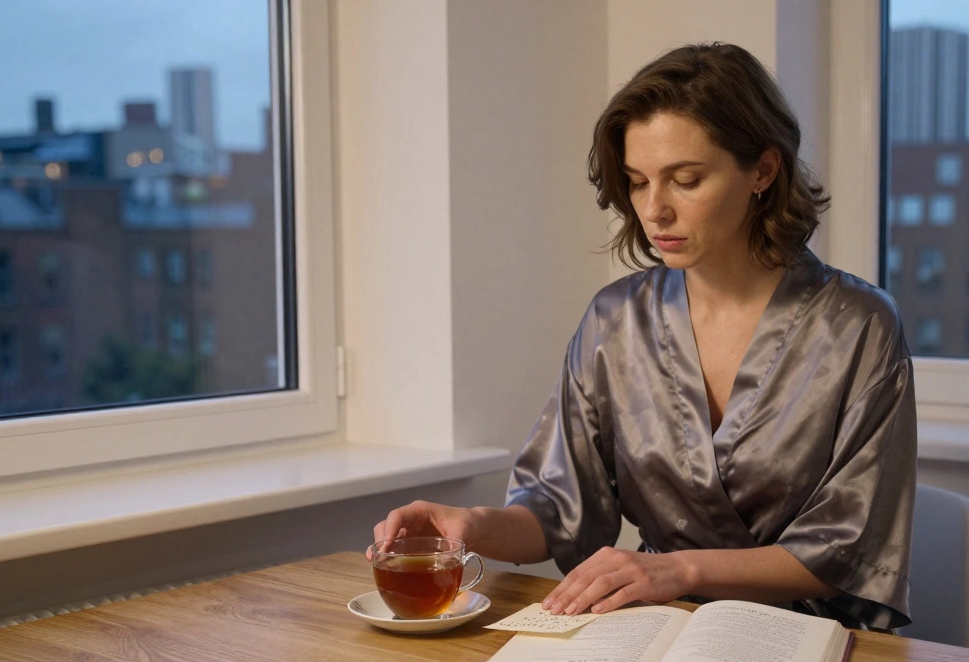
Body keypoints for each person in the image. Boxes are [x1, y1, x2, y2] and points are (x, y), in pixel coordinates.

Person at [373, 43, 915, 631]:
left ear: (763, 169)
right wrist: (473, 525)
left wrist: (677, 571)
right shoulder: (615, 321)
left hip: (815, 641)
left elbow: (848, 546)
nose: (654, 211)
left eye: (686, 180)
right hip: (659, 631)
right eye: (637, 182)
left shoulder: (859, 326)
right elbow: (559, 508)